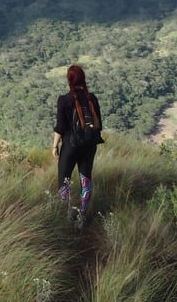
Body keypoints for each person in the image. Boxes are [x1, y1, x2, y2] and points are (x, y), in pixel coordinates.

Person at [52, 64, 103, 229]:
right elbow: (99, 125)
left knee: (64, 181)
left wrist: (54, 146)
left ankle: (66, 216)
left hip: (70, 146)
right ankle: (82, 216)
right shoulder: (92, 99)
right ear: (83, 79)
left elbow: (60, 127)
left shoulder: (64, 100)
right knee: (86, 180)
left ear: (69, 80)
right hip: (89, 145)